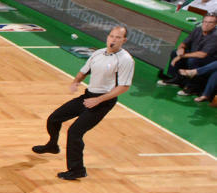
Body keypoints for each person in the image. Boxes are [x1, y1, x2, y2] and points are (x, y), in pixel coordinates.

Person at [32, 25, 134, 180]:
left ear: (124, 40)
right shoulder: (99, 53)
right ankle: (52, 145)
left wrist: (98, 100)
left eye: (117, 37)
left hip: (103, 101)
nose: (113, 40)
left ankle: (77, 169)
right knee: (54, 118)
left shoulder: (125, 60)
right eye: (111, 36)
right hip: (88, 96)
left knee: (74, 132)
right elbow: (84, 70)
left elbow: (124, 87)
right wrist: (76, 81)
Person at [156, 13, 217, 92]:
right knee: (175, 52)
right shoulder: (197, 29)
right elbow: (185, 42)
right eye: (205, 21)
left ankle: (192, 86)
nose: (206, 24)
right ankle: (177, 79)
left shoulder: (215, 36)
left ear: (215, 24)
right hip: (195, 54)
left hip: (209, 59)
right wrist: (181, 49)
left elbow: (202, 54)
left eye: (210, 23)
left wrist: (182, 56)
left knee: (193, 60)